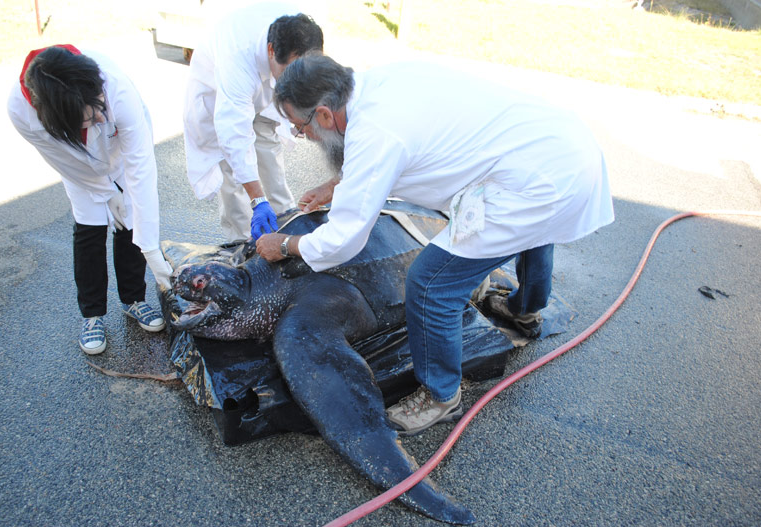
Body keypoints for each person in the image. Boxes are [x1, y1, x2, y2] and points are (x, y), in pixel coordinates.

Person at [257, 54, 615, 435]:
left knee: (430, 284)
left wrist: (285, 244)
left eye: (300, 128)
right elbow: (389, 152)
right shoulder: (383, 79)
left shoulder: (376, 134)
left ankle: (441, 396)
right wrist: (338, 185)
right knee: (534, 232)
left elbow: (342, 241)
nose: (304, 136)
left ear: (325, 116)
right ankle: (525, 310)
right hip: (560, 148)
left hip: (537, 184)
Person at [8, 45, 173, 356]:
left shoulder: (114, 87)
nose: (100, 117)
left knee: (130, 220)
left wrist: (151, 248)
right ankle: (92, 315)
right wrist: (105, 192)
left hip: (119, 156)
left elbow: (141, 166)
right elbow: (64, 162)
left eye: (100, 108)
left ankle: (134, 300)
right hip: (79, 170)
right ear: (59, 120)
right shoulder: (21, 111)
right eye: (89, 119)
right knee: (89, 229)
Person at [183, 1, 323, 242]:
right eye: (290, 70)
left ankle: (289, 231)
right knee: (233, 174)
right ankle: (245, 247)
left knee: (270, 158)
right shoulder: (236, 56)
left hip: (264, 96)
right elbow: (234, 135)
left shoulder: (299, 33)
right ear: (271, 51)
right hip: (221, 94)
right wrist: (258, 200)